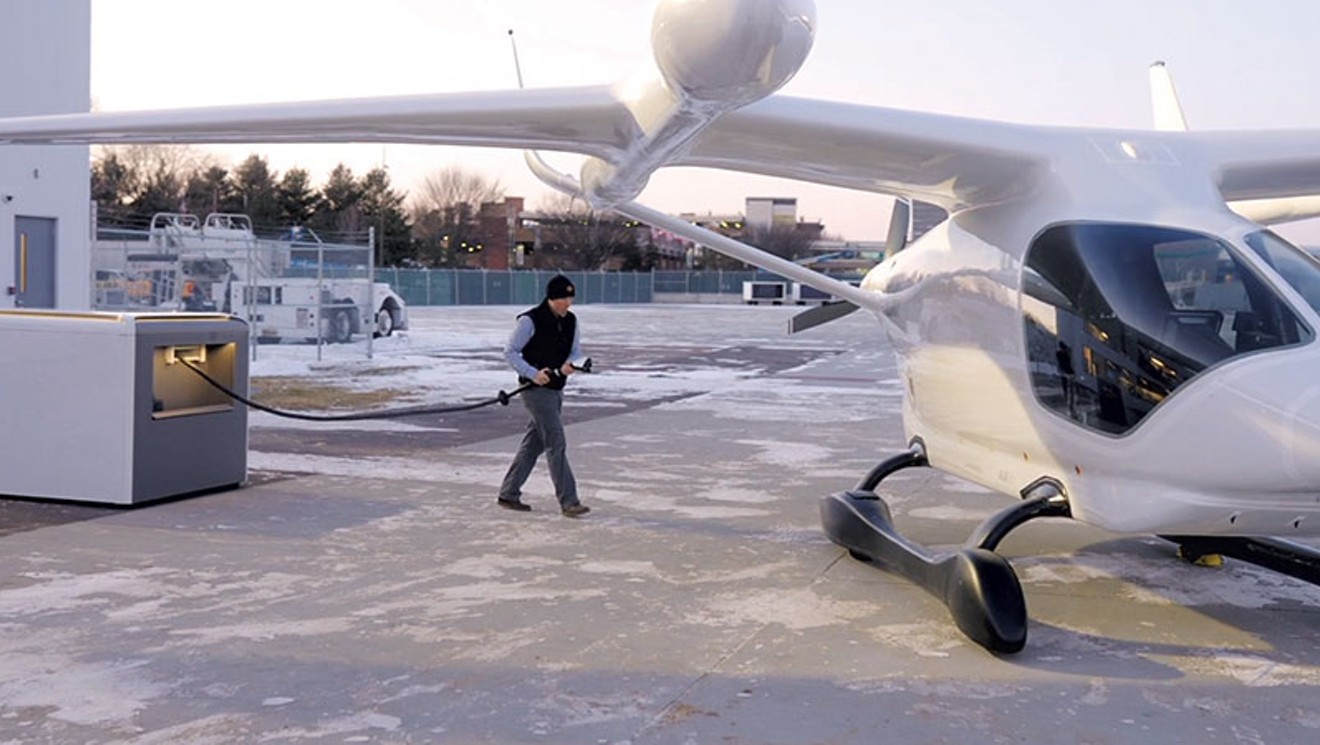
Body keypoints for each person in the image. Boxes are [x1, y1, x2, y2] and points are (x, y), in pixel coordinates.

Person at [497, 275, 591, 517]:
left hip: (557, 388)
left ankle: (508, 493)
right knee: (556, 442)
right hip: (535, 391)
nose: (567, 303)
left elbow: (575, 350)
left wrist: (573, 364)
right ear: (550, 297)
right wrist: (532, 373)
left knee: (533, 444)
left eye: (570, 297)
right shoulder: (530, 320)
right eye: (562, 298)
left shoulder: (571, 321)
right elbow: (511, 352)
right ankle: (569, 501)